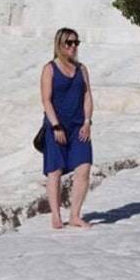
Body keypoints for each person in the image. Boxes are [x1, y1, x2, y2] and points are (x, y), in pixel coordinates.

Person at [40, 28, 93, 230]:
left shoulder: (82, 69)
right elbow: (46, 100)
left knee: (84, 168)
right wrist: (56, 125)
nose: (72, 47)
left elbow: (87, 95)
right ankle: (56, 215)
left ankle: (75, 215)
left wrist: (87, 121)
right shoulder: (50, 69)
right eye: (68, 43)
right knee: (55, 171)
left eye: (75, 43)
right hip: (56, 126)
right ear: (59, 45)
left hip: (79, 126)